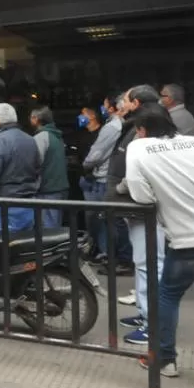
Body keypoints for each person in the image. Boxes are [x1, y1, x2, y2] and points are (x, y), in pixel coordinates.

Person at [123, 103, 194, 379]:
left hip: (187, 241)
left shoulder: (138, 149)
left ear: (141, 130)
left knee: (168, 295)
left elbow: (141, 196)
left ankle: (165, 359)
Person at [105, 85, 166, 346]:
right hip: (136, 205)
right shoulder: (141, 121)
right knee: (144, 262)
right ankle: (145, 314)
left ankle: (153, 324)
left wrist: (120, 187)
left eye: (126, 100)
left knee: (150, 263)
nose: (122, 104)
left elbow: (143, 167)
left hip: (144, 206)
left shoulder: (148, 123)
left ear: (136, 102)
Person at [0, 103, 41, 234]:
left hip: (2, 206)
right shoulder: (30, 140)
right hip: (28, 204)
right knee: (25, 248)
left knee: (0, 250)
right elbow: (38, 169)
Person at [80, 96, 123, 263]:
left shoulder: (110, 128)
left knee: (100, 218)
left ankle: (106, 253)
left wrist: (86, 164)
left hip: (100, 179)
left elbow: (94, 156)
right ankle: (102, 251)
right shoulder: (112, 126)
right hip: (96, 178)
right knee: (99, 219)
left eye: (105, 105)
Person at [30, 106, 70, 228]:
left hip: (47, 189)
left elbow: (35, 163)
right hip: (60, 187)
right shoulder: (57, 136)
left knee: (48, 230)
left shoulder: (41, 137)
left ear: (36, 119)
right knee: (55, 226)